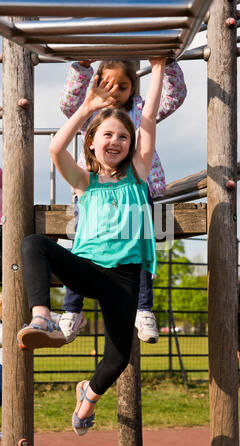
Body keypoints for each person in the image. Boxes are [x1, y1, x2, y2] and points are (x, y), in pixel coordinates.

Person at [17, 57, 166, 435]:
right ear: (92, 142)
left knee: (118, 358)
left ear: (132, 146)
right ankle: (41, 317)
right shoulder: (86, 182)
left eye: (123, 137)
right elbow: (54, 149)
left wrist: (159, 67)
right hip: (87, 269)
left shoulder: (139, 175)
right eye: (108, 136)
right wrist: (88, 106)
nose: (115, 141)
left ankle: (88, 395)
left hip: (124, 278)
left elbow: (146, 122)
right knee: (34, 243)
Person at [54, 58, 187, 344]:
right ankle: (72, 310)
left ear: (133, 89)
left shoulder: (138, 110)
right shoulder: (92, 114)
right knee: (84, 244)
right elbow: (68, 105)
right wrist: (81, 67)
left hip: (135, 189)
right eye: (107, 84)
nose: (114, 91)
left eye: (122, 86)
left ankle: (142, 308)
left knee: (138, 244)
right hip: (95, 192)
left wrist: (162, 65)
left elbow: (169, 99)